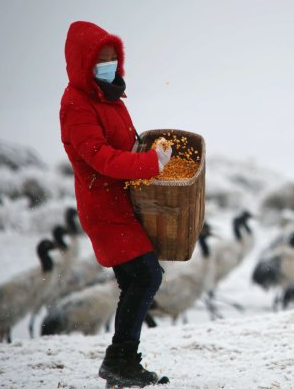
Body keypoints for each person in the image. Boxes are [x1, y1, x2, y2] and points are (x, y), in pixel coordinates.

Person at [59, 21, 171, 387]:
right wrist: (150, 164)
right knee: (145, 275)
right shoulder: (77, 103)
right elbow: (101, 158)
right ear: (82, 63)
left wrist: (150, 155)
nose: (109, 65)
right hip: (105, 210)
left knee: (137, 279)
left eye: (113, 59)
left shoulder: (110, 97)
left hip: (122, 204)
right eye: (100, 60)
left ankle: (121, 366)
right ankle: (119, 361)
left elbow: (125, 145)